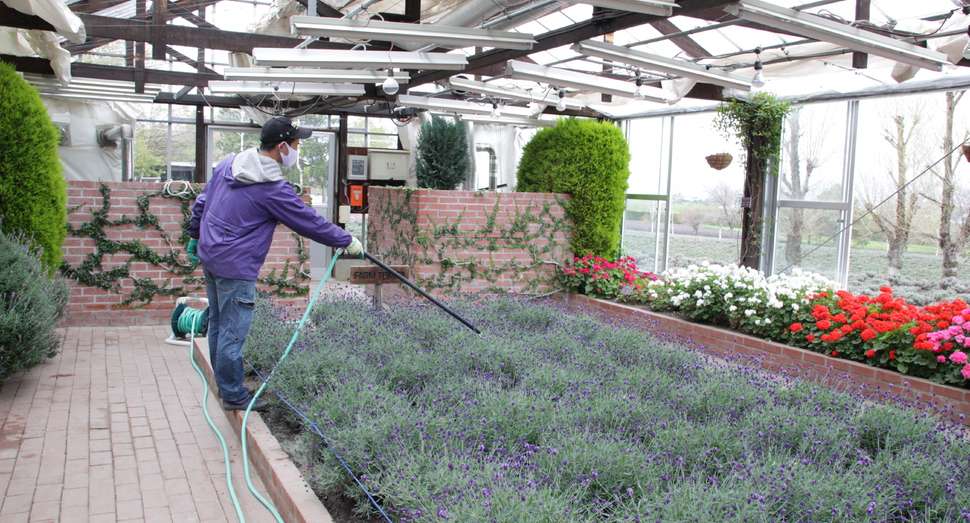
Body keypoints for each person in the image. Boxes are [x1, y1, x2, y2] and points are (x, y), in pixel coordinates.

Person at [186, 116, 363, 411]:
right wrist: (345, 239)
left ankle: (224, 384)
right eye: (295, 144)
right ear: (282, 146)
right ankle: (233, 395)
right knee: (233, 330)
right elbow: (307, 220)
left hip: (211, 254)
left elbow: (202, 202)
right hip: (235, 265)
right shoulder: (270, 187)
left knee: (218, 322)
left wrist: (195, 235)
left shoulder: (228, 164)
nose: (297, 150)